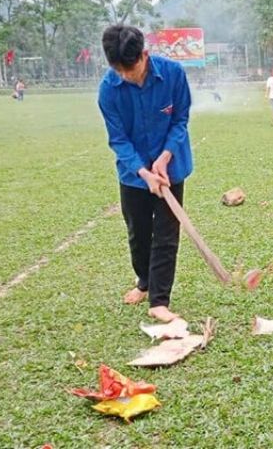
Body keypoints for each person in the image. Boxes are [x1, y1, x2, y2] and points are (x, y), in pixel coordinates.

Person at [97, 24, 193, 323]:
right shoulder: (108, 90)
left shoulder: (173, 74)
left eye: (132, 67)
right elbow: (119, 140)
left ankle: (159, 300)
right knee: (138, 233)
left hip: (171, 168)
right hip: (133, 174)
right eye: (119, 70)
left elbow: (180, 119)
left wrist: (164, 159)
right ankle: (144, 282)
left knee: (166, 234)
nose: (127, 75)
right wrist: (144, 172)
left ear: (145, 54)